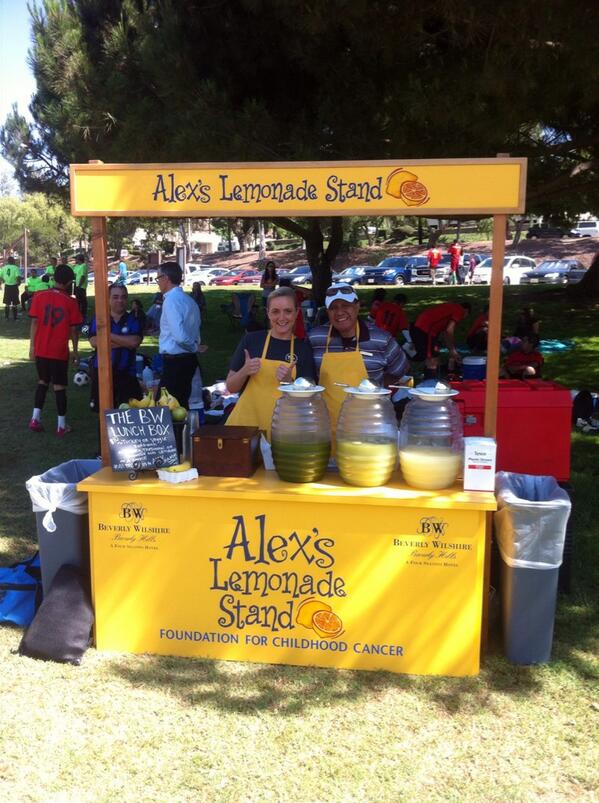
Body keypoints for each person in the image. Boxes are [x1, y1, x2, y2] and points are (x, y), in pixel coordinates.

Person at [309, 283, 410, 433]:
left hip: (370, 428)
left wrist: (379, 387)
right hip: (325, 429)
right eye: (333, 308)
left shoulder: (381, 339)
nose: (340, 312)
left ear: (357, 306)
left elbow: (400, 370)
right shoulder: (315, 338)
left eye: (346, 305)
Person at [225, 287, 315, 440]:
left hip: (284, 433)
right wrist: (244, 371)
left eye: (287, 311)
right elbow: (231, 387)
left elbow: (310, 400)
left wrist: (290, 383)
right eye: (275, 311)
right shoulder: (252, 340)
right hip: (246, 429)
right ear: (267, 313)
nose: (282, 317)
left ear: (296, 312)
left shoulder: (303, 348)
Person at [28, 263, 82, 436]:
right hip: (59, 350)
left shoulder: (39, 296)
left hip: (41, 349)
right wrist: (75, 351)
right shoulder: (70, 301)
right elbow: (74, 330)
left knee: (42, 382)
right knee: (59, 387)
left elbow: (34, 322)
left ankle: (35, 419)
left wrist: (32, 347)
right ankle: (61, 425)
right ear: (68, 282)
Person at [88, 284, 144, 408]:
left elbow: (134, 342)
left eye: (123, 297)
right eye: (115, 297)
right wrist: (124, 342)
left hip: (127, 374)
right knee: (104, 417)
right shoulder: (100, 318)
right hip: (102, 374)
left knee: (129, 416)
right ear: (108, 299)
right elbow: (94, 342)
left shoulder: (133, 319)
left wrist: (106, 334)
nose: (120, 300)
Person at [157, 262, 201, 409]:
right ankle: (183, 432)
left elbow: (180, 336)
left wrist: (193, 346)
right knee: (182, 405)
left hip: (176, 362)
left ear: (166, 278)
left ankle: (177, 432)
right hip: (188, 360)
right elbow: (195, 329)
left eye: (158, 278)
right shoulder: (189, 300)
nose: (158, 282)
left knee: (166, 410)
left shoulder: (171, 301)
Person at [410, 301, 471, 372]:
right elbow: (449, 330)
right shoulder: (460, 310)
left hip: (420, 324)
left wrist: (451, 350)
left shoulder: (451, 307)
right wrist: (453, 351)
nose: (464, 318)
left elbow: (445, 333)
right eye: (467, 315)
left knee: (431, 353)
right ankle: (429, 377)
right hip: (427, 328)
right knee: (430, 356)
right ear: (466, 310)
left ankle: (432, 372)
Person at [1, 255, 22, 320]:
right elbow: (18, 277)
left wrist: (3, 280)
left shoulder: (4, 268)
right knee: (15, 302)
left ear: (8, 261)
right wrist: (19, 283)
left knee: (7, 302)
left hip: (7, 286)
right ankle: (15, 317)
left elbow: (0, 276)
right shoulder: (15, 268)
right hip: (14, 286)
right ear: (13, 261)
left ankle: (7, 317)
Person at [72, 253, 89, 320]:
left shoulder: (83, 266)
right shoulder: (76, 266)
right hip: (76, 285)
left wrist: (80, 285)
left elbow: (83, 276)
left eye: (76, 259)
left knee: (82, 299)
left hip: (81, 286)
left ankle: (84, 313)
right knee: (77, 299)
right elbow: (74, 274)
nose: (75, 260)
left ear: (79, 259)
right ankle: (78, 312)